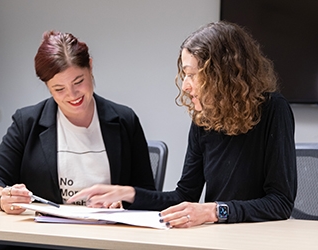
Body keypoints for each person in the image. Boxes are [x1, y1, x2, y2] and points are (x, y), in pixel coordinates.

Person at [68, 21, 297, 228]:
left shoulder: (273, 109)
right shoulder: (204, 118)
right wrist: (127, 194)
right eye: (184, 74)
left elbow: (280, 203)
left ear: (222, 76)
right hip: (218, 236)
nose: (186, 86)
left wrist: (214, 211)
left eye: (193, 75)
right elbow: (184, 195)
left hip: (260, 235)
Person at [0, 30, 156, 216]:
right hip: (44, 239)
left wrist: (123, 202)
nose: (72, 95)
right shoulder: (27, 123)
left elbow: (147, 192)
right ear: (47, 86)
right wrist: (3, 199)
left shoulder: (124, 120)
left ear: (90, 67)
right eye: (59, 89)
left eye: (78, 82)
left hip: (105, 236)